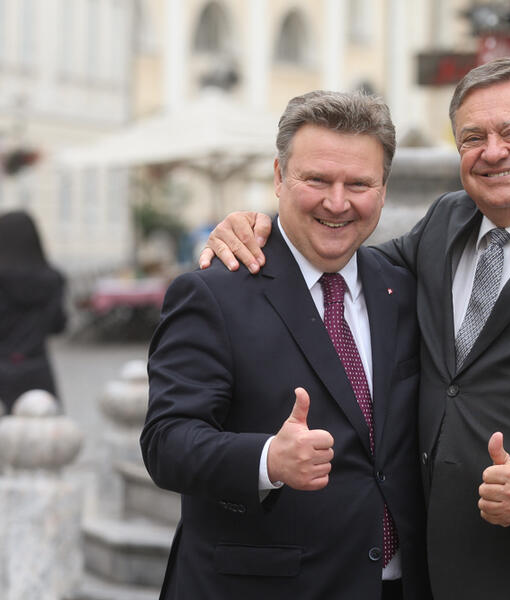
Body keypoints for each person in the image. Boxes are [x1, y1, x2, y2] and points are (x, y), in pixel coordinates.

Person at [202, 58, 510, 600]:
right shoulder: (445, 224)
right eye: (472, 137)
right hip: (439, 570)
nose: (493, 150)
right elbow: (338, 259)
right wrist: (260, 227)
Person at [141, 91, 431, 600]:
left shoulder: (403, 288)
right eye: (316, 179)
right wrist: (268, 459)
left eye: (358, 184)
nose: (337, 202)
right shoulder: (213, 292)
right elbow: (166, 443)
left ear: (383, 190)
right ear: (278, 177)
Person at [0, 210, 67, 414]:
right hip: (37, 369)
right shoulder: (53, 279)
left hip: (2, 368)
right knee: (42, 438)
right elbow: (59, 325)